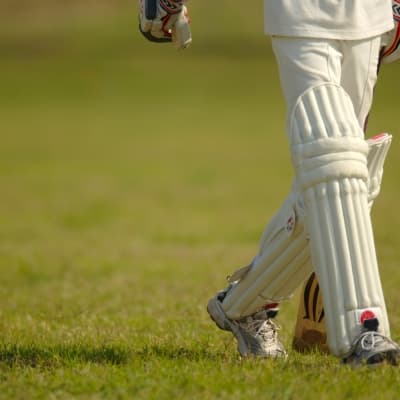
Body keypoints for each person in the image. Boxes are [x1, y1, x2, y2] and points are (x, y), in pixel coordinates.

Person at [139, 0, 400, 365]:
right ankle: (365, 332)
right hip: (301, 15)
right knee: (333, 159)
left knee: (340, 183)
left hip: (369, 18)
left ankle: (243, 306)